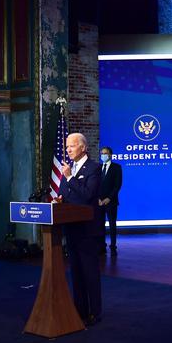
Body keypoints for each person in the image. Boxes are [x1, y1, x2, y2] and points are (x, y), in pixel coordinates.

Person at [56, 133, 104, 325]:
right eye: (67, 147)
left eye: (72, 146)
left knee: (90, 272)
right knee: (76, 272)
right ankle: (80, 310)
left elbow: (86, 195)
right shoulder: (70, 169)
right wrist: (58, 200)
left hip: (87, 230)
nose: (68, 150)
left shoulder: (94, 168)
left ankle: (95, 312)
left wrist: (69, 178)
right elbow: (64, 193)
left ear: (83, 147)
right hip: (71, 228)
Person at [99, 146, 122, 255]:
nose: (103, 155)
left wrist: (109, 198)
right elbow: (95, 185)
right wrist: (98, 199)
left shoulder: (117, 167)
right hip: (99, 202)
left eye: (105, 153)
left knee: (112, 224)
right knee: (99, 225)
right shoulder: (98, 168)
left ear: (110, 155)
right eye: (102, 153)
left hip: (111, 202)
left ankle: (113, 246)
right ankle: (101, 246)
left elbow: (117, 185)